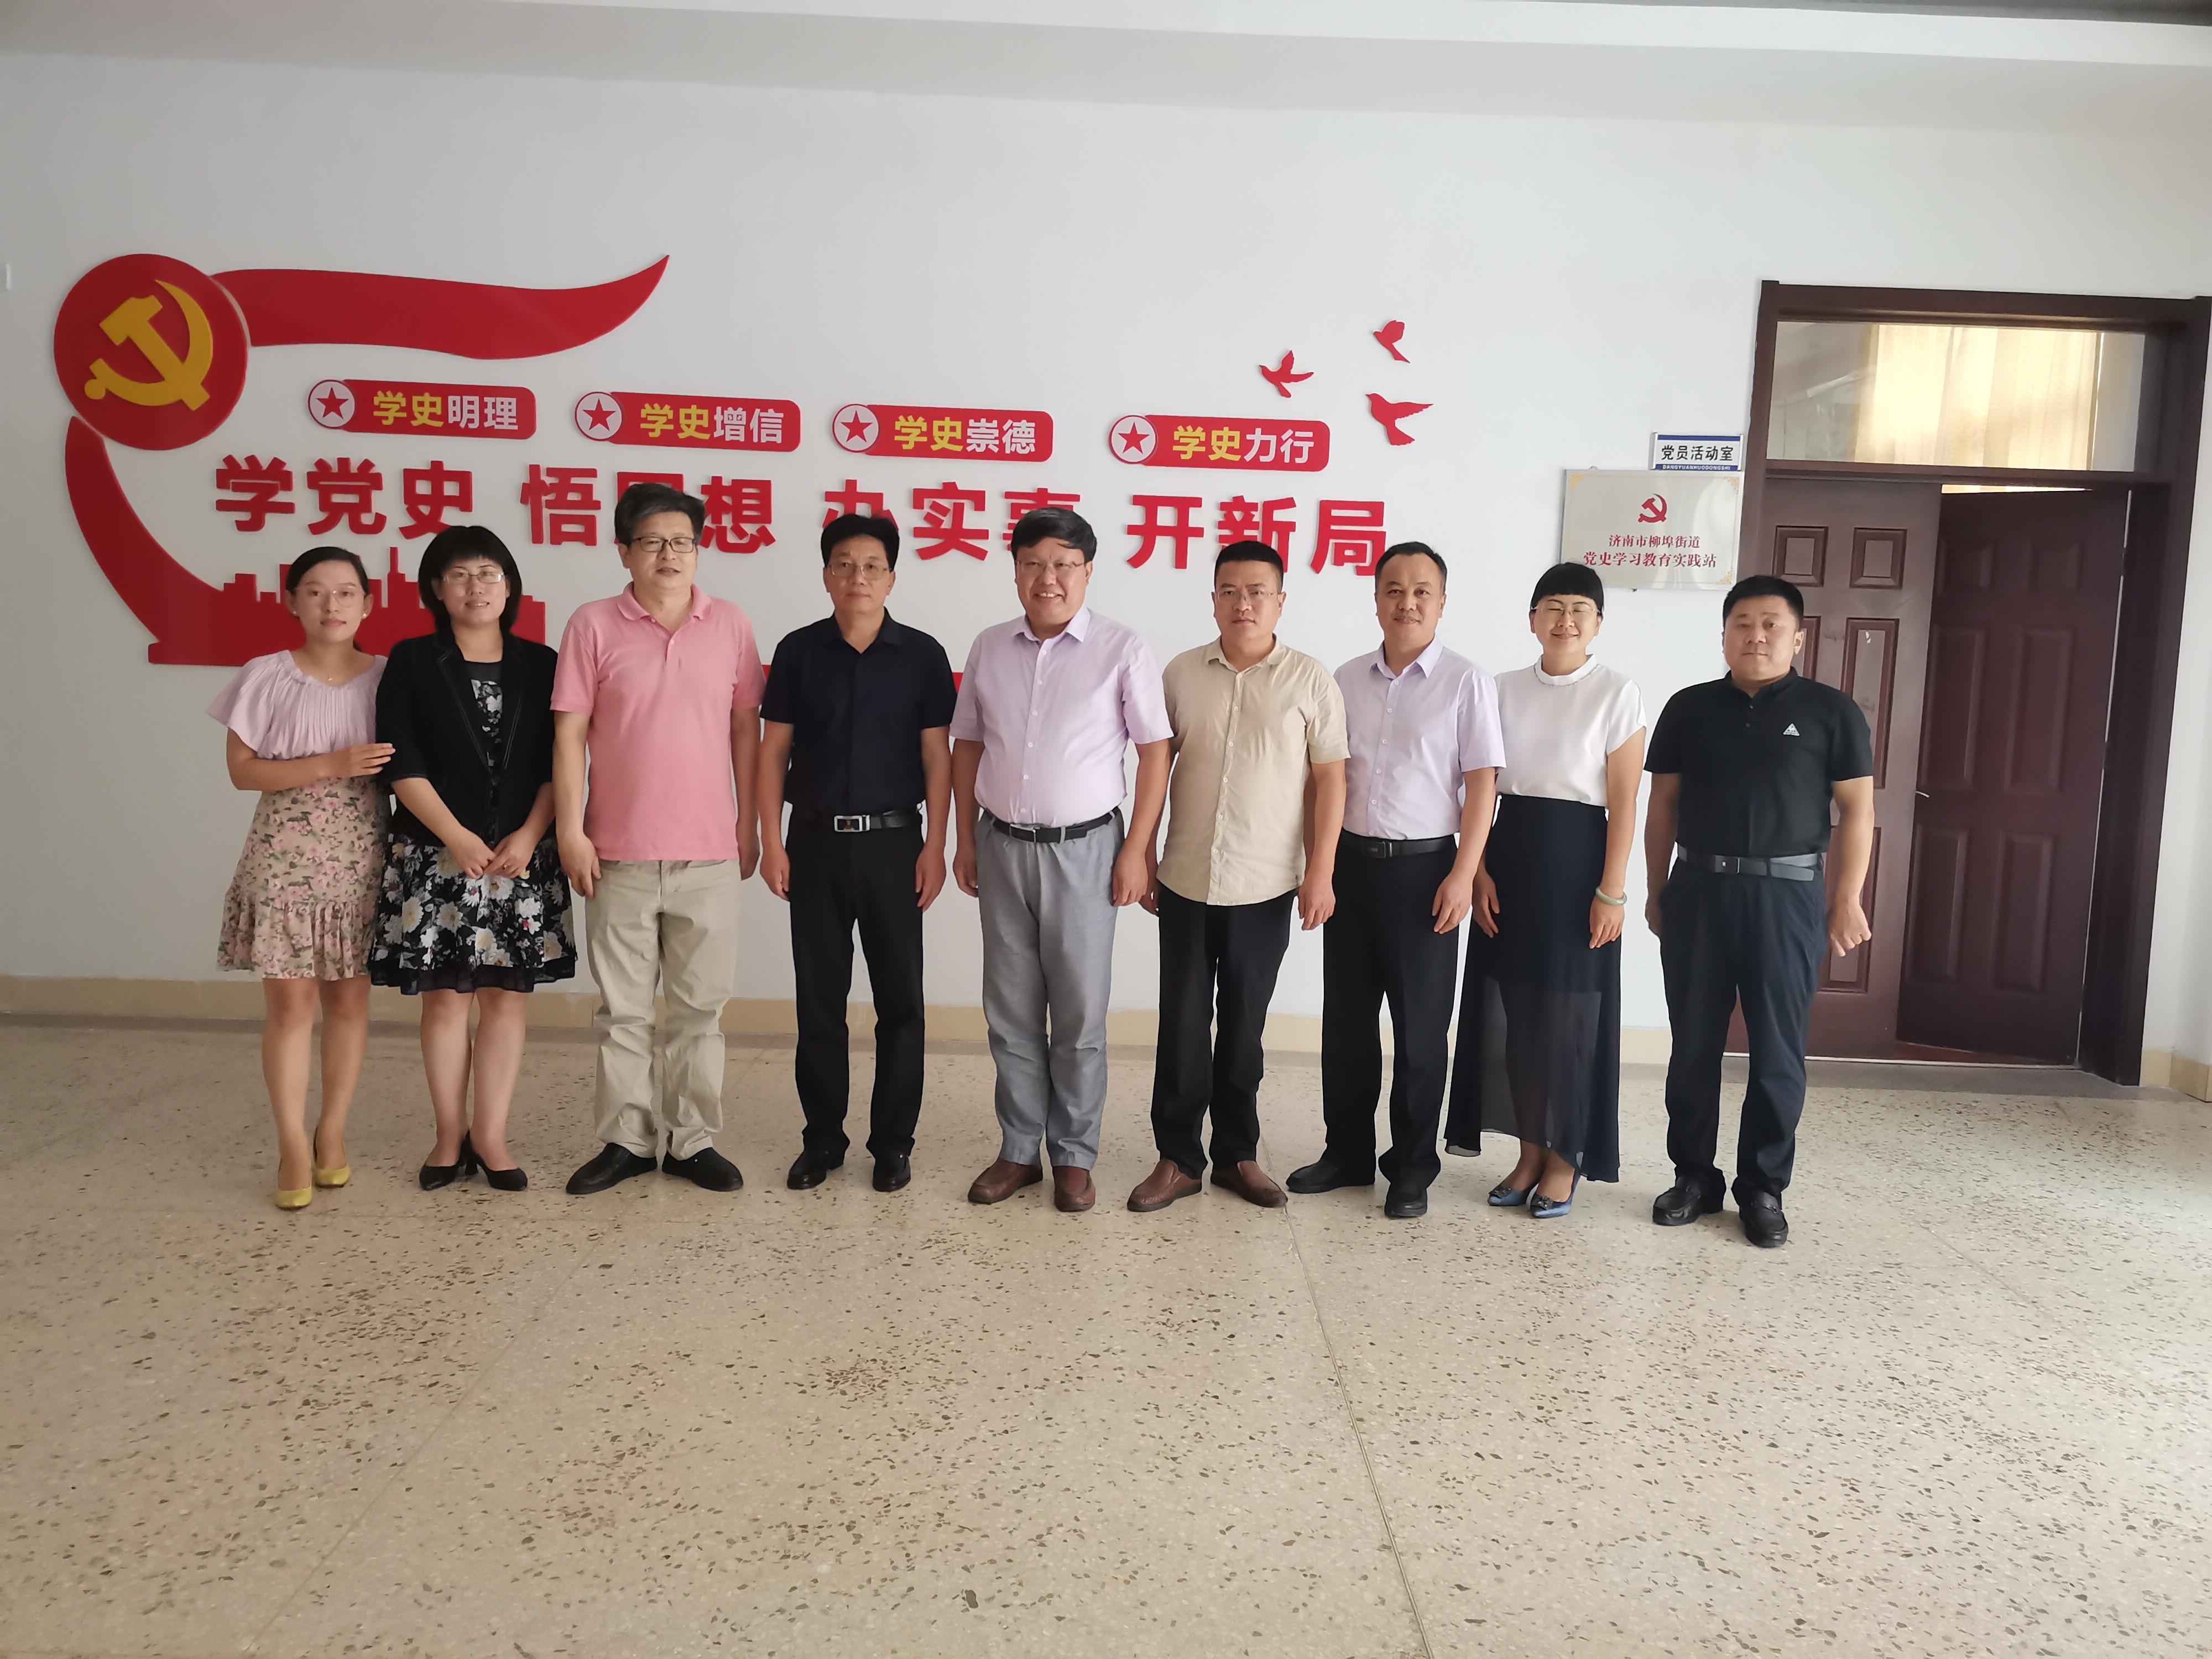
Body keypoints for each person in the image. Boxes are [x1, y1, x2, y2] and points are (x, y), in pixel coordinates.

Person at [1643, 573, 1875, 1249]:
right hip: (1699, 891)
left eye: (1772, 624)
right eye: (1742, 624)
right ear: (1723, 635)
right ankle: (1693, 1176)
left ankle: (1763, 1187)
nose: (1756, 636)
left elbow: (1857, 810)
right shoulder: (1688, 707)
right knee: (1693, 1045)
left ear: (1797, 637)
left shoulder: (1832, 713)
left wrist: (1846, 897)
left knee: (1777, 1050)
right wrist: (1656, 889)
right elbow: (1662, 805)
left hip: (1787, 898)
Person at [951, 507, 1171, 1213]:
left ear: (1087, 572)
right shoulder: (989, 646)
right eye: (1034, 564)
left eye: (1064, 565)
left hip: (1088, 852)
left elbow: (1155, 753)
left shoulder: (1121, 648)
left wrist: (1136, 850)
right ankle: (1019, 1149)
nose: (1048, 579)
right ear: (1015, 570)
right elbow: (967, 744)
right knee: (1010, 1009)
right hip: (1000, 845)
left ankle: (1074, 1154)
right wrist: (963, 839)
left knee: (1077, 1017)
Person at [553, 482, 764, 1196]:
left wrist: (748, 824)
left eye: (682, 542)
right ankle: (627, 1141)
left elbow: (745, 731)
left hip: (709, 852)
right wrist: (571, 831)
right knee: (624, 1012)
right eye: (651, 542)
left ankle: (693, 1140)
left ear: (699, 551)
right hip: (617, 851)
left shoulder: (730, 624)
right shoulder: (592, 625)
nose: (669, 555)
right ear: (624, 551)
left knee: (701, 1010)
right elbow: (569, 733)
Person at [1129, 541, 1346, 1213]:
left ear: (1280, 601)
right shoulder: (1180, 674)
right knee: (1182, 1024)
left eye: (1257, 591)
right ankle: (1177, 1158)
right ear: (1214, 600)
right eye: (1229, 591)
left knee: (1244, 1028)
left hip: (1266, 882)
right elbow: (1155, 768)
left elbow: (1331, 780)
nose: (1243, 603)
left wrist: (1320, 872)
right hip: (1186, 876)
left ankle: (1236, 1155)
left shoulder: (1310, 680)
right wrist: (1142, 853)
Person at [1290, 542, 1503, 1220]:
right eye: (1393, 590)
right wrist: (1318, 867)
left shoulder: (1466, 682)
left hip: (1425, 874)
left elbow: (1482, 785)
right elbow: (1322, 779)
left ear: (1441, 603)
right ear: (1376, 599)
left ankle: (1411, 1167)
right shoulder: (1344, 679)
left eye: (1420, 592)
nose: (1406, 603)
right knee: (1347, 1026)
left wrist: (1463, 874)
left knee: (1419, 1033)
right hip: (1350, 869)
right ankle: (1347, 1153)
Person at [369, 525, 573, 1193]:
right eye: (458, 575)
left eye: (488, 573)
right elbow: (401, 759)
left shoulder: (542, 663)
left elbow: (561, 762)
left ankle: (491, 1136)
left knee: (505, 1003)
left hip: (520, 859)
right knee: (445, 1004)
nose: (475, 586)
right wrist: (455, 837)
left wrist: (530, 833)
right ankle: (448, 1136)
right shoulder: (411, 660)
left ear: (509, 586)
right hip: (436, 858)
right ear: (436, 589)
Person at [758, 514, 957, 1194]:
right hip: (812, 842)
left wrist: (936, 844)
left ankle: (893, 1144)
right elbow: (774, 752)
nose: (858, 577)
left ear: (892, 577)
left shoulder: (922, 655)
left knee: (901, 1002)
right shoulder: (798, 651)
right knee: (819, 1001)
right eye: (844, 564)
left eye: (872, 566)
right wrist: (771, 841)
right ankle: (822, 1141)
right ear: (826, 575)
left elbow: (937, 758)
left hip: (895, 844)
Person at [1446, 563, 1645, 1220]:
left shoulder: (1616, 692)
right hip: (1508, 860)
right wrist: (1477, 869)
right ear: (1532, 619)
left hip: (1578, 865)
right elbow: (1477, 786)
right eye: (1553, 607)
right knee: (1517, 1017)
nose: (1565, 620)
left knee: (1567, 1020)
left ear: (1598, 624)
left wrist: (1612, 891)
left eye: (1579, 610)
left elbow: (1624, 802)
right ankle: (1529, 1151)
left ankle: (1566, 1157)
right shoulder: (1499, 688)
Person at [208, 547, 390, 1210]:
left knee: (349, 1003)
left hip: (362, 855)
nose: (331, 604)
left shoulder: (390, 678)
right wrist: (330, 763)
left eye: (346, 592)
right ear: (291, 601)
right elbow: (242, 771)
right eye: (314, 591)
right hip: (283, 854)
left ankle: (331, 1130)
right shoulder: (266, 675)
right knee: (290, 1006)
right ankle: (290, 1142)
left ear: (368, 602)